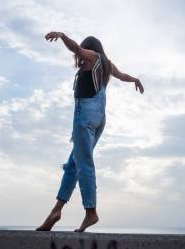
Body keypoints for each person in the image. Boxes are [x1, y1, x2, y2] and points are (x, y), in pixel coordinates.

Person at [36, 31, 144, 232]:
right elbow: (122, 76)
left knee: (84, 163)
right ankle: (56, 210)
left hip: (84, 118)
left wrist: (62, 36)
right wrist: (135, 80)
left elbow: (76, 48)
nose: (80, 57)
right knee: (73, 164)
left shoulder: (94, 58)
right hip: (98, 119)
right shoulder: (107, 65)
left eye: (84, 53)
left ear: (91, 49)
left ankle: (91, 212)